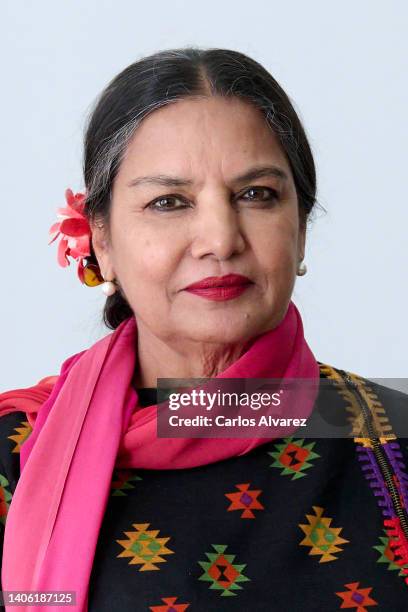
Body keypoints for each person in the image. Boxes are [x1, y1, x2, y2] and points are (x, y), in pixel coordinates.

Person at [1, 46, 407, 612]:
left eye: (256, 195)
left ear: (302, 230)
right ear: (102, 240)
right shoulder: (16, 451)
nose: (220, 239)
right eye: (169, 202)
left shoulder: (394, 445)